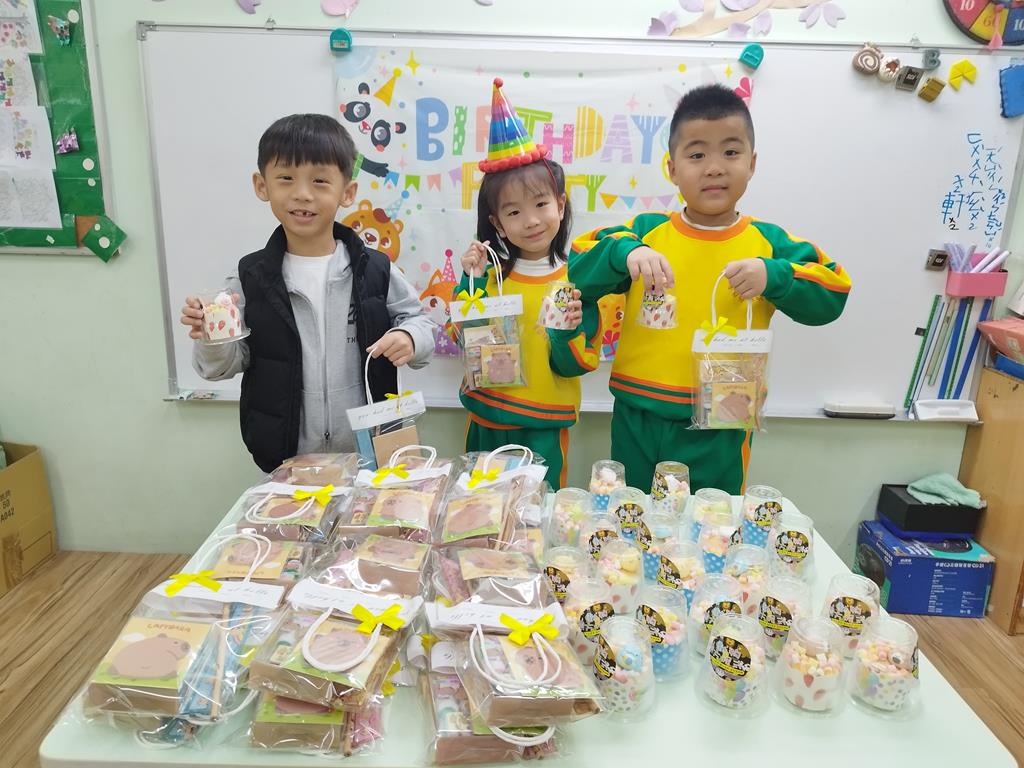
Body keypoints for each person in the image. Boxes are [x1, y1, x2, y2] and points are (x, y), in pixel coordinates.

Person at [567, 84, 852, 492]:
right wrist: (624, 254)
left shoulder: (768, 244)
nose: (714, 168)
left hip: (724, 418)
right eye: (697, 155)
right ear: (672, 168)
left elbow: (834, 291)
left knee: (713, 518)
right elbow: (578, 264)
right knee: (630, 514)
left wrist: (775, 276)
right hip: (638, 413)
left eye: (731, 152)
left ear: (752, 164)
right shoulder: (645, 233)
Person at [179, 113, 436, 472]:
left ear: (347, 193)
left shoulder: (374, 269)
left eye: (319, 181)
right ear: (262, 186)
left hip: (370, 459)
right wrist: (212, 335)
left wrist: (409, 337)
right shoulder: (249, 278)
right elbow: (219, 368)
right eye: (286, 178)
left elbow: (421, 323)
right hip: (287, 464)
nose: (302, 194)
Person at [455, 78, 587, 489]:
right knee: (479, 509)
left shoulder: (577, 279)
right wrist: (471, 280)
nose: (530, 221)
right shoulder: (490, 276)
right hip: (486, 416)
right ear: (497, 224)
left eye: (541, 204)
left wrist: (564, 333)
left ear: (560, 205)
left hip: (544, 422)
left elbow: (574, 364)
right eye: (513, 212)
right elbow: (463, 338)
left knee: (538, 511)